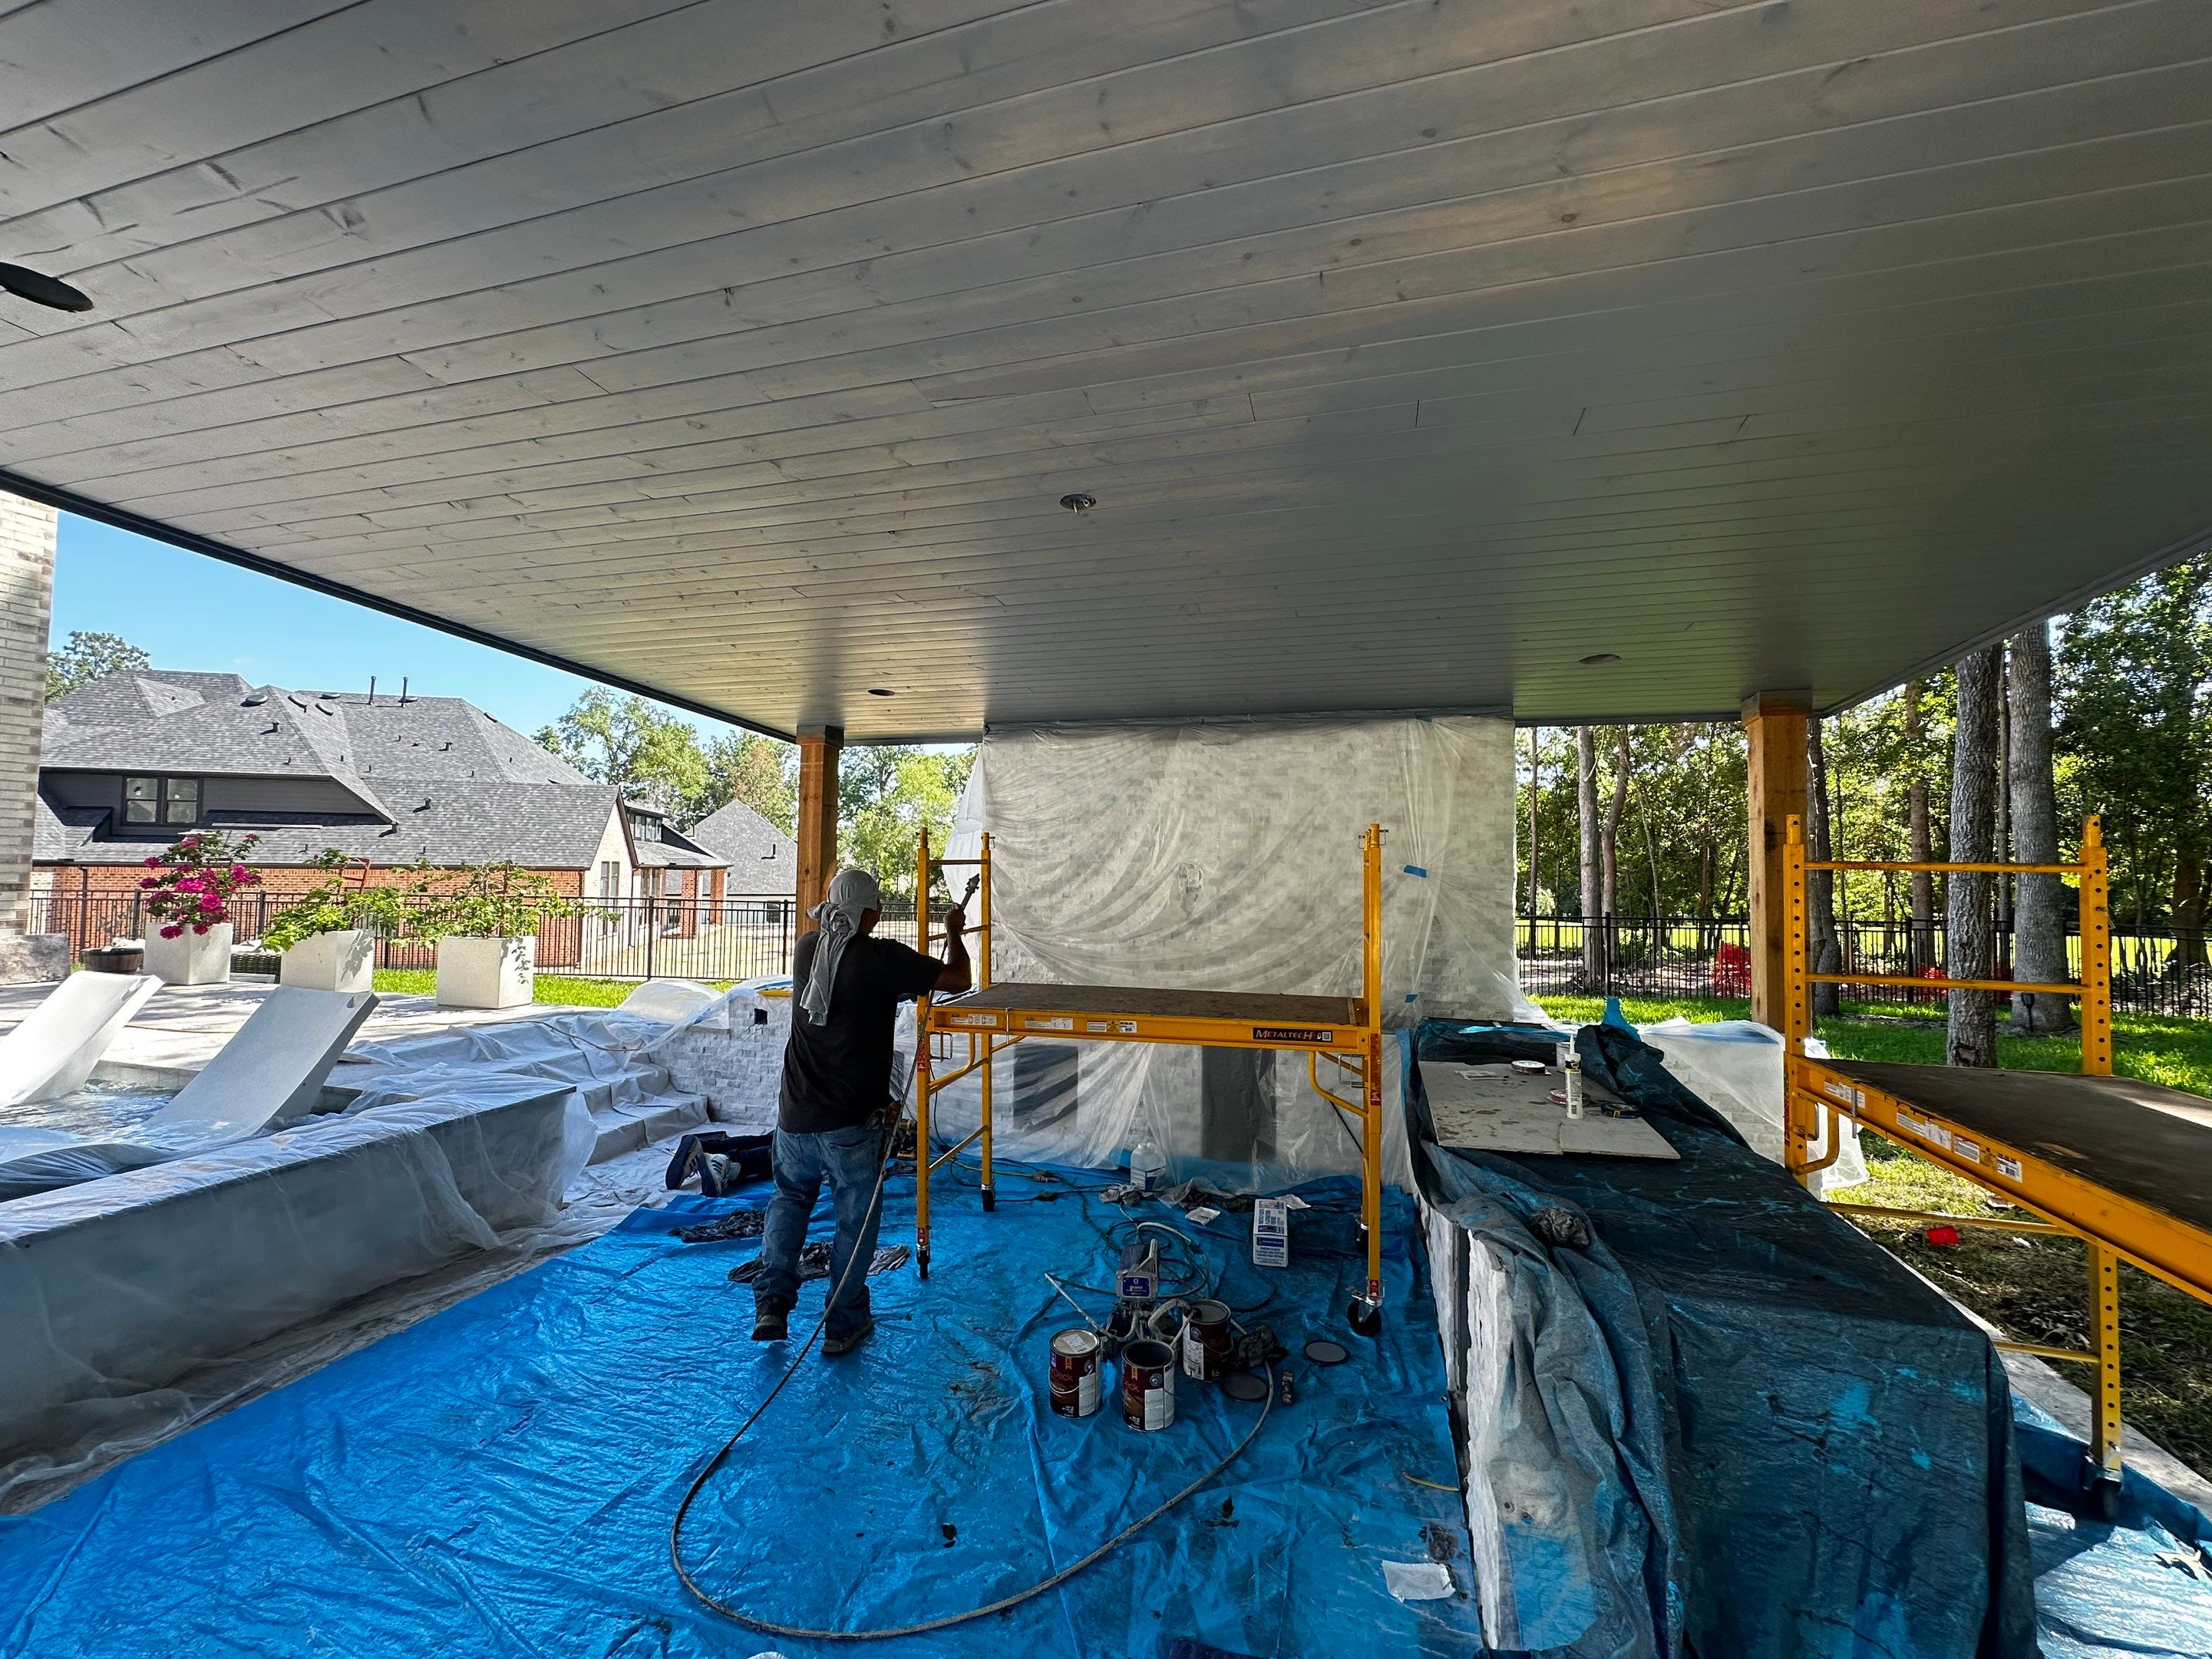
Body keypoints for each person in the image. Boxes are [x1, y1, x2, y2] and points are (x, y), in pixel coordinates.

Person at [751, 866, 969, 1354]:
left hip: (795, 1115)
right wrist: (953, 933)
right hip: (849, 1123)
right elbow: (959, 978)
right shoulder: (880, 958)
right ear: (871, 913)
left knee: (789, 1200)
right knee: (854, 1220)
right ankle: (843, 1321)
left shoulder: (807, 948)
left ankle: (773, 1303)